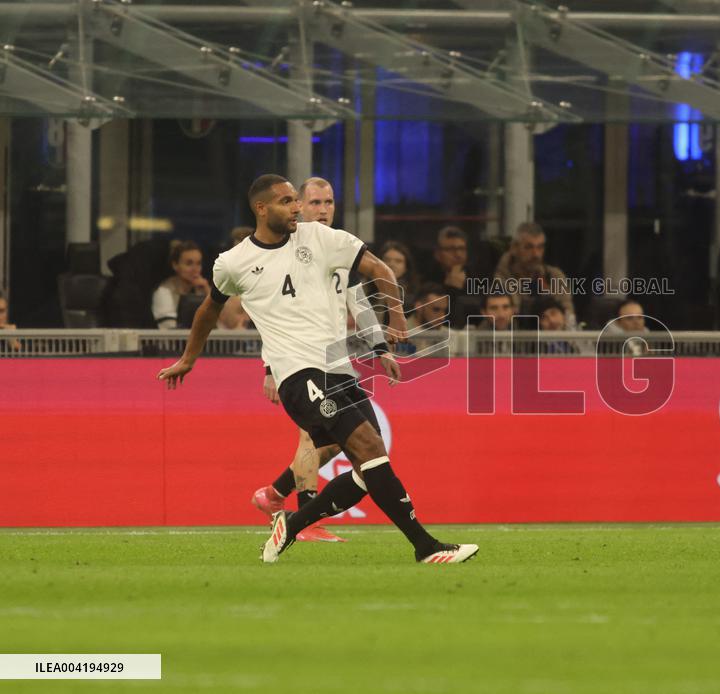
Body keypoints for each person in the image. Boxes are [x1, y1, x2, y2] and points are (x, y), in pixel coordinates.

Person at [157, 174, 477, 564]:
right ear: (261, 208)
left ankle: (291, 524)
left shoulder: (321, 238)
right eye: (287, 201)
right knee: (368, 448)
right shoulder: (233, 262)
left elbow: (379, 270)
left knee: (369, 467)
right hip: (299, 375)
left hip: (339, 370)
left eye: (298, 200)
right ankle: (426, 548)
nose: (297, 208)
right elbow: (209, 310)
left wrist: (395, 319)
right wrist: (189, 358)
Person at [253, 177, 396, 543]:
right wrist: (269, 368)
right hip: (298, 364)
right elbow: (271, 313)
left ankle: (274, 494)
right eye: (315, 203)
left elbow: (359, 304)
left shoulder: (337, 247)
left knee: (333, 443)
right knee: (311, 438)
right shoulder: (286, 248)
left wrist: (381, 347)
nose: (323, 210)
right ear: (299, 205)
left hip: (334, 362)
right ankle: (305, 520)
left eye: (329, 202)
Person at [493, 222, 576, 326]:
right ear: (514, 248)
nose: (536, 254)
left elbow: (568, 316)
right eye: (529, 247)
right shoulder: (500, 279)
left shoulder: (554, 275)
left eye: (540, 247)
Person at [152, 240, 210, 329]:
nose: (195, 269)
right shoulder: (163, 292)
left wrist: (208, 292)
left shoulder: (201, 289)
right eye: (189, 263)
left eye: (198, 263)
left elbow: (223, 326)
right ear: (175, 265)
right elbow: (171, 331)